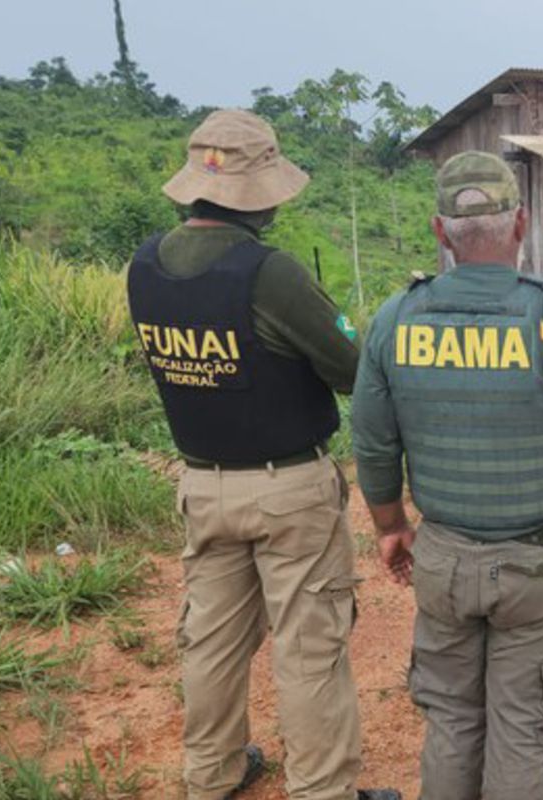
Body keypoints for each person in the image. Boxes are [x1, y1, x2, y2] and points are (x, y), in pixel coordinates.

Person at [352, 151, 543, 800]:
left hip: (441, 560)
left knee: (452, 723)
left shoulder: (395, 320)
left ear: (441, 232)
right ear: (521, 223)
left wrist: (389, 525)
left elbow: (373, 442)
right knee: (522, 730)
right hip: (537, 570)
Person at [127, 108, 399, 800]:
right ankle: (323, 790)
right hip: (288, 489)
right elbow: (353, 366)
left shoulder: (145, 267)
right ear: (260, 196)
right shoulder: (269, 273)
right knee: (308, 645)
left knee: (211, 640)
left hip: (202, 485)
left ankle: (211, 775)